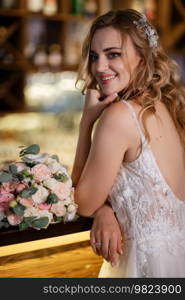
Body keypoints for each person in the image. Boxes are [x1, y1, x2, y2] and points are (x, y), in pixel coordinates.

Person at [71, 9, 185, 277]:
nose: (99, 67)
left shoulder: (119, 117)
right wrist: (108, 208)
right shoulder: (164, 106)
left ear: (142, 58)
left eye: (113, 54)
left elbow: (82, 203)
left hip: (143, 266)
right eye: (94, 56)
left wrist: (86, 122)